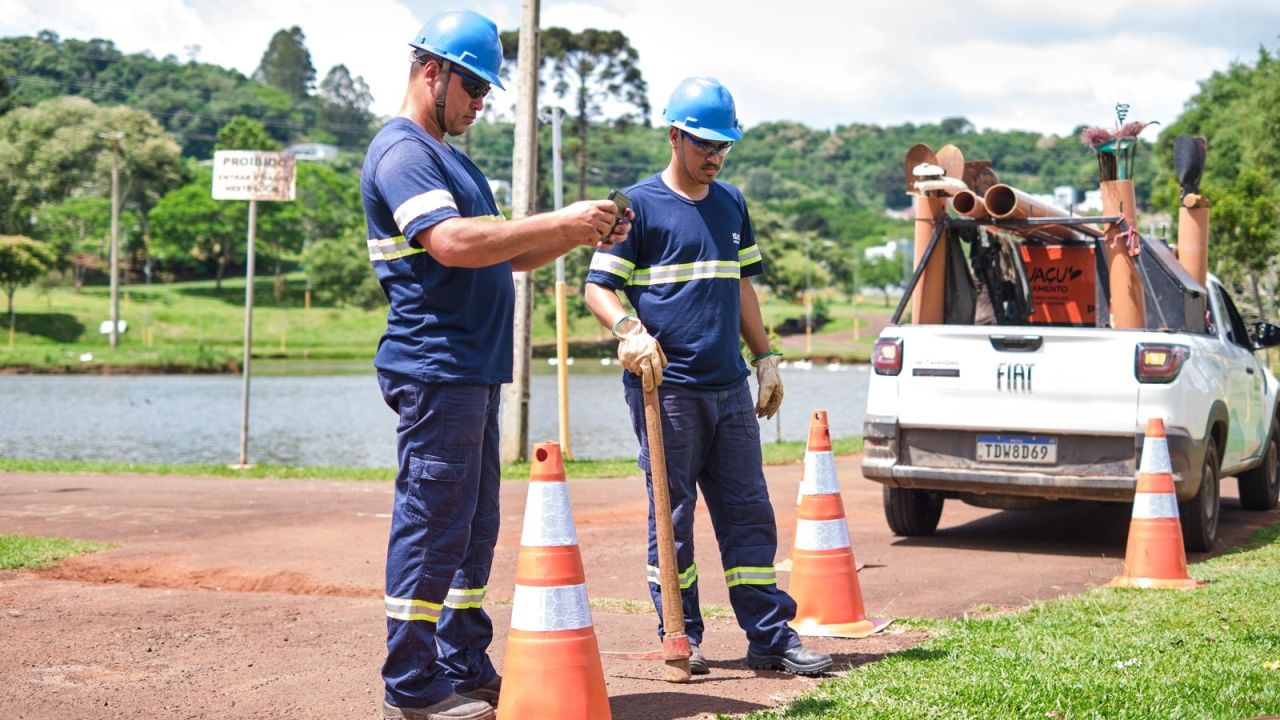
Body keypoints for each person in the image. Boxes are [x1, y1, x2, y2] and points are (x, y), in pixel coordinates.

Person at [361, 9, 632, 720]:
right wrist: (558, 221)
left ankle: (460, 664)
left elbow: (505, 250)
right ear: (431, 72)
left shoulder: (452, 159)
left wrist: (578, 234)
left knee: (471, 527)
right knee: (432, 521)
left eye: (485, 92)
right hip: (437, 366)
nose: (480, 104)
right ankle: (411, 691)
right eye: (473, 87)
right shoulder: (402, 153)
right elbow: (451, 242)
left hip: (472, 371)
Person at [583, 77, 832, 678]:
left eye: (724, 147)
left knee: (749, 514)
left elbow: (741, 284)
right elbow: (598, 286)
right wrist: (628, 331)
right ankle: (680, 634)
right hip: (666, 392)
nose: (716, 157)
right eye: (705, 145)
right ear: (674, 137)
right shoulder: (638, 207)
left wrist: (765, 357)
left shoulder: (731, 203)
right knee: (671, 516)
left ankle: (770, 638)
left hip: (728, 390)